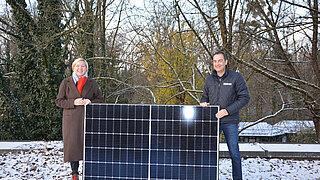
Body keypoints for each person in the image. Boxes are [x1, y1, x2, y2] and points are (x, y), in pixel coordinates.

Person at [200, 51, 250, 180]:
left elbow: (244, 98)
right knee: (208, 153)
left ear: (226, 62)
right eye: (215, 61)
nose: (217, 63)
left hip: (230, 121)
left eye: (220, 60)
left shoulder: (236, 77)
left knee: (234, 154)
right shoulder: (209, 79)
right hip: (213, 121)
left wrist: (227, 111)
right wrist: (203, 103)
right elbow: (204, 96)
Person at [56, 58, 104, 180]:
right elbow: (59, 101)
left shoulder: (92, 82)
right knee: (73, 145)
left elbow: (100, 100)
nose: (80, 68)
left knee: (88, 145)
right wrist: (74, 102)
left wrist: (90, 101)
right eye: (78, 66)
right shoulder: (66, 82)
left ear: (86, 69)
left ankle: (88, 171)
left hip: (88, 118)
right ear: (73, 67)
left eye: (83, 66)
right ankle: (74, 173)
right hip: (71, 120)